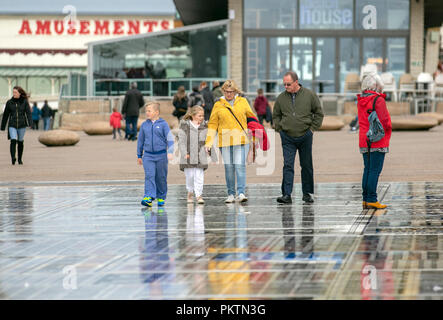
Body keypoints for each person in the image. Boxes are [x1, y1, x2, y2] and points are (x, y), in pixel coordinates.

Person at [273, 71, 324, 204]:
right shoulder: (281, 98)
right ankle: (286, 194)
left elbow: (319, 113)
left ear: (296, 82)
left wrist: (312, 129)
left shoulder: (310, 95)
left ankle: (307, 193)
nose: (286, 87)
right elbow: (276, 115)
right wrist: (280, 129)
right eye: (284, 84)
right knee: (288, 165)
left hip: (305, 136)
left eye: (288, 84)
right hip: (287, 137)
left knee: (306, 165)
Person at [205, 79, 256, 203]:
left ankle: (241, 193)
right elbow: (212, 124)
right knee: (229, 168)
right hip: (225, 141)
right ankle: (231, 194)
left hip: (241, 140)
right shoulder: (218, 104)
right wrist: (209, 142)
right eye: (226, 91)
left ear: (235, 91)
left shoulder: (243, 102)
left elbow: (252, 118)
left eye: (231, 91)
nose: (229, 94)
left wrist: (255, 136)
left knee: (239, 166)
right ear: (223, 91)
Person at [357, 74, 392, 209]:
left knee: (367, 169)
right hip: (378, 140)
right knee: (375, 170)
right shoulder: (378, 100)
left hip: (364, 139)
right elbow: (385, 121)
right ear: (376, 85)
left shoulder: (361, 100)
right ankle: (372, 199)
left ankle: (365, 198)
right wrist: (389, 128)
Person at [137, 102, 174, 207]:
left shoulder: (163, 124)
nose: (147, 113)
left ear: (156, 112)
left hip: (161, 155)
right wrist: (139, 155)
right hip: (148, 156)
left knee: (161, 177)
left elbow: (170, 139)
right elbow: (140, 141)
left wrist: (170, 152)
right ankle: (149, 196)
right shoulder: (144, 125)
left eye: (149, 111)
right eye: (146, 111)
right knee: (149, 176)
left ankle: (161, 197)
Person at [178, 106, 216, 204]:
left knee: (199, 177)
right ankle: (190, 192)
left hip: (201, 156)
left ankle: (199, 195)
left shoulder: (205, 126)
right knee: (190, 177)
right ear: (193, 115)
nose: (202, 118)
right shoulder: (184, 126)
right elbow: (181, 142)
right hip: (188, 156)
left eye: (202, 116)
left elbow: (209, 141)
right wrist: (184, 153)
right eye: (199, 116)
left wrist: (213, 155)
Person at [1, 86, 32, 165]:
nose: (14, 94)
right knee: (13, 140)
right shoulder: (9, 102)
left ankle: (20, 159)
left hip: (22, 125)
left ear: (19, 93)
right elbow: (5, 115)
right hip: (12, 125)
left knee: (20, 141)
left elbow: (28, 113)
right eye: (13, 92)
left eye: (15, 92)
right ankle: (13, 158)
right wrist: (2, 126)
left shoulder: (24, 102)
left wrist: (30, 123)